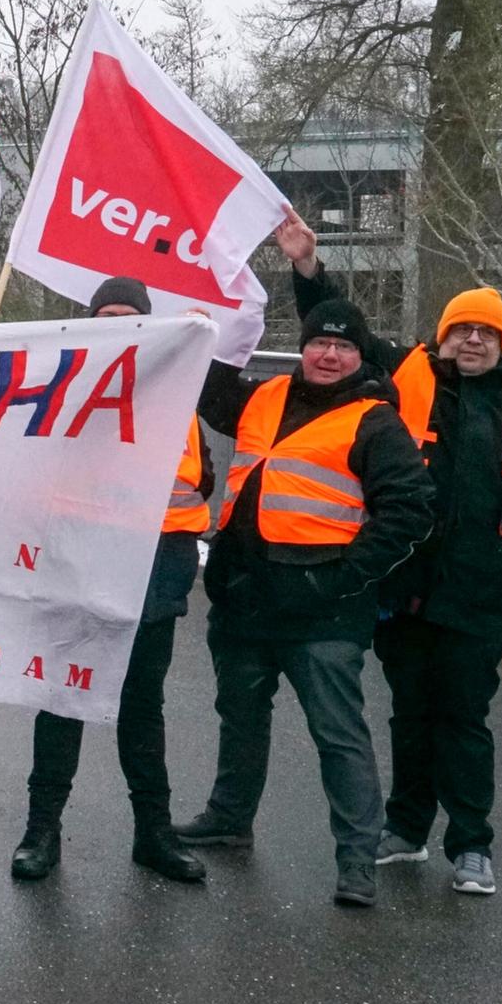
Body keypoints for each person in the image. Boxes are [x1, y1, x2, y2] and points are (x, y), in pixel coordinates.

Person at [276, 209, 502, 895]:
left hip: (480, 591)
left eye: (484, 331)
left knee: (465, 717)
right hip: (407, 586)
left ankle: (471, 844)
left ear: (501, 342)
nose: (471, 339)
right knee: (410, 712)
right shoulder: (405, 373)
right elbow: (340, 333)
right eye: (461, 329)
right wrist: (306, 267)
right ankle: (408, 830)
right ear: (443, 337)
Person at [179, 296, 434, 908]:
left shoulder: (374, 420)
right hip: (246, 599)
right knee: (239, 717)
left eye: (344, 346)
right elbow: (207, 383)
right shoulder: (263, 396)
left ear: (358, 355)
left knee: (339, 734)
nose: (329, 354)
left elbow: (410, 509)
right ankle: (229, 817)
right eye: (320, 342)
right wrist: (216, 314)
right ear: (304, 347)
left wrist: (348, 578)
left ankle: (356, 859)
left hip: (323, 606)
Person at [6, 278, 209, 885]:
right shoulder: (63, 387)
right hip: (79, 563)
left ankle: (154, 833)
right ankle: (42, 831)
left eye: (131, 315)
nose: (119, 323)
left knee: (142, 710)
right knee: (62, 700)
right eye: (107, 314)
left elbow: (198, 484)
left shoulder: (179, 392)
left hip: (152, 572)